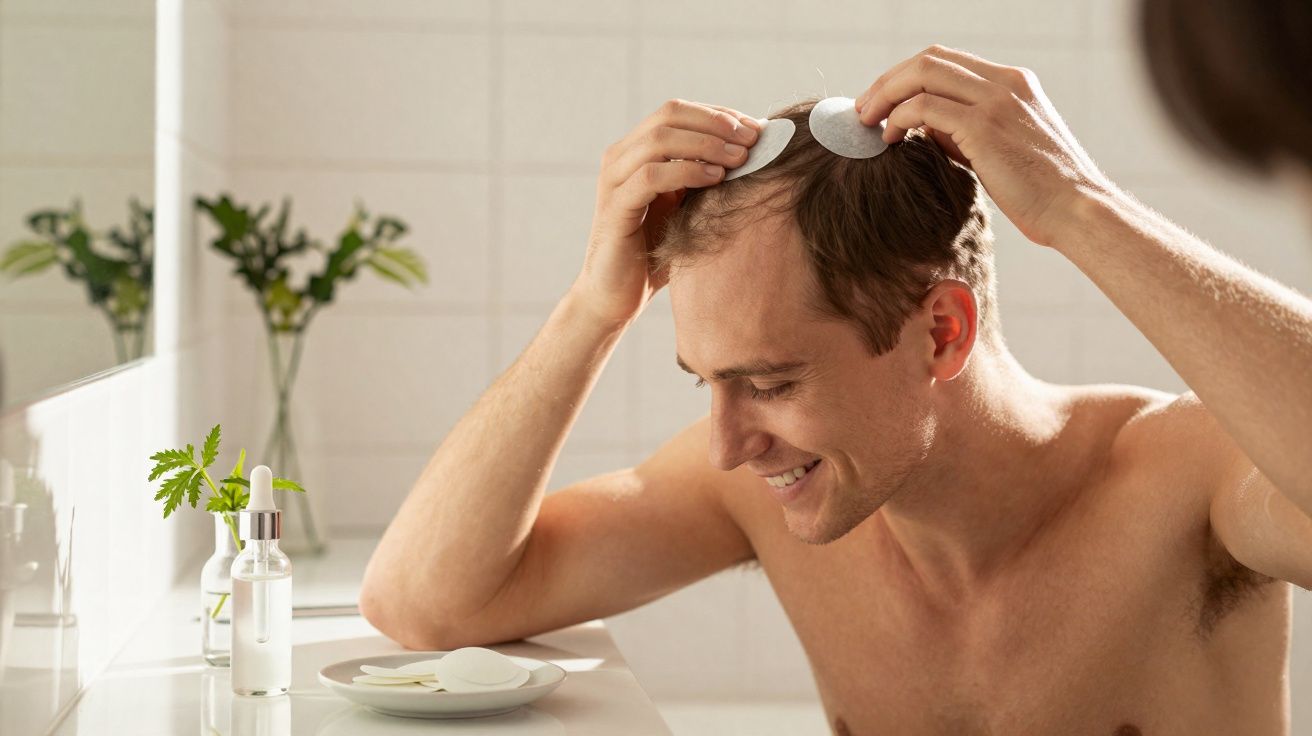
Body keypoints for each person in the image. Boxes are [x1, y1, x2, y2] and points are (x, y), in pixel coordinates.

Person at [361, 41, 1312, 734]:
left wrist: (1077, 206)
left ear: (940, 333)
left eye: (769, 381)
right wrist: (591, 310)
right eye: (708, 382)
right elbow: (425, 603)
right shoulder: (757, 488)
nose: (729, 442)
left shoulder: (1186, 482)